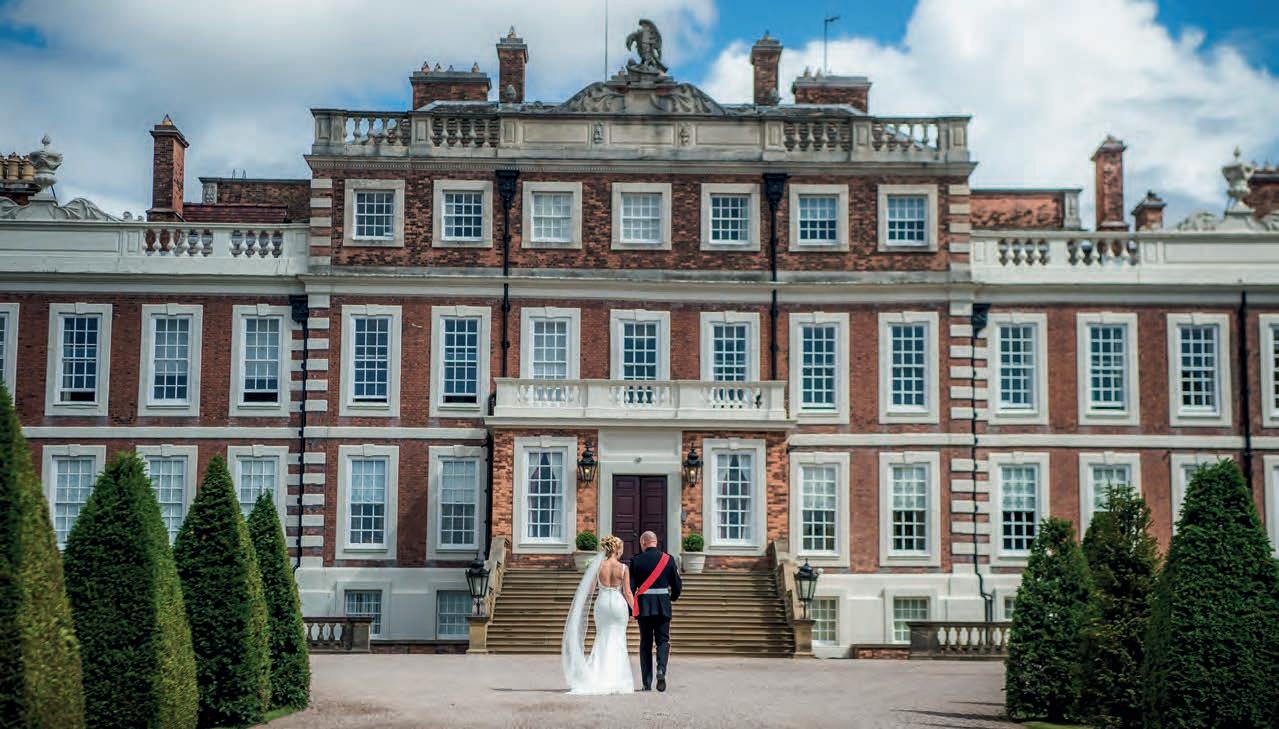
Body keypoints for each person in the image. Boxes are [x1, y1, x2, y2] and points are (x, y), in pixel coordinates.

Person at [561, 535, 635, 694]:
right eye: (621, 549)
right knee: (618, 639)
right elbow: (628, 592)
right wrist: (635, 610)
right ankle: (616, 678)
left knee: (602, 637)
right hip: (618, 604)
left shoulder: (598, 566)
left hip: (602, 604)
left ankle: (598, 675)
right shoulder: (623, 568)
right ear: (617, 549)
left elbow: (590, 589)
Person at [629, 530, 681, 692]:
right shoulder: (668, 559)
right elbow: (677, 585)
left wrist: (630, 610)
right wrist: (672, 598)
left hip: (644, 606)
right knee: (663, 641)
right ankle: (661, 669)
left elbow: (631, 588)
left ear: (643, 543)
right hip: (663, 605)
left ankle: (646, 682)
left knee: (645, 642)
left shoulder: (636, 560)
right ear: (655, 542)